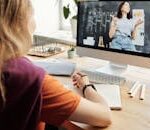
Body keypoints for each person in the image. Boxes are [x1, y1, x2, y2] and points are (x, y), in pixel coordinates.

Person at [0, 0, 111, 130]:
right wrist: (86, 86)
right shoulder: (29, 78)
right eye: (32, 15)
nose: (35, 25)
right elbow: (104, 116)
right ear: (19, 23)